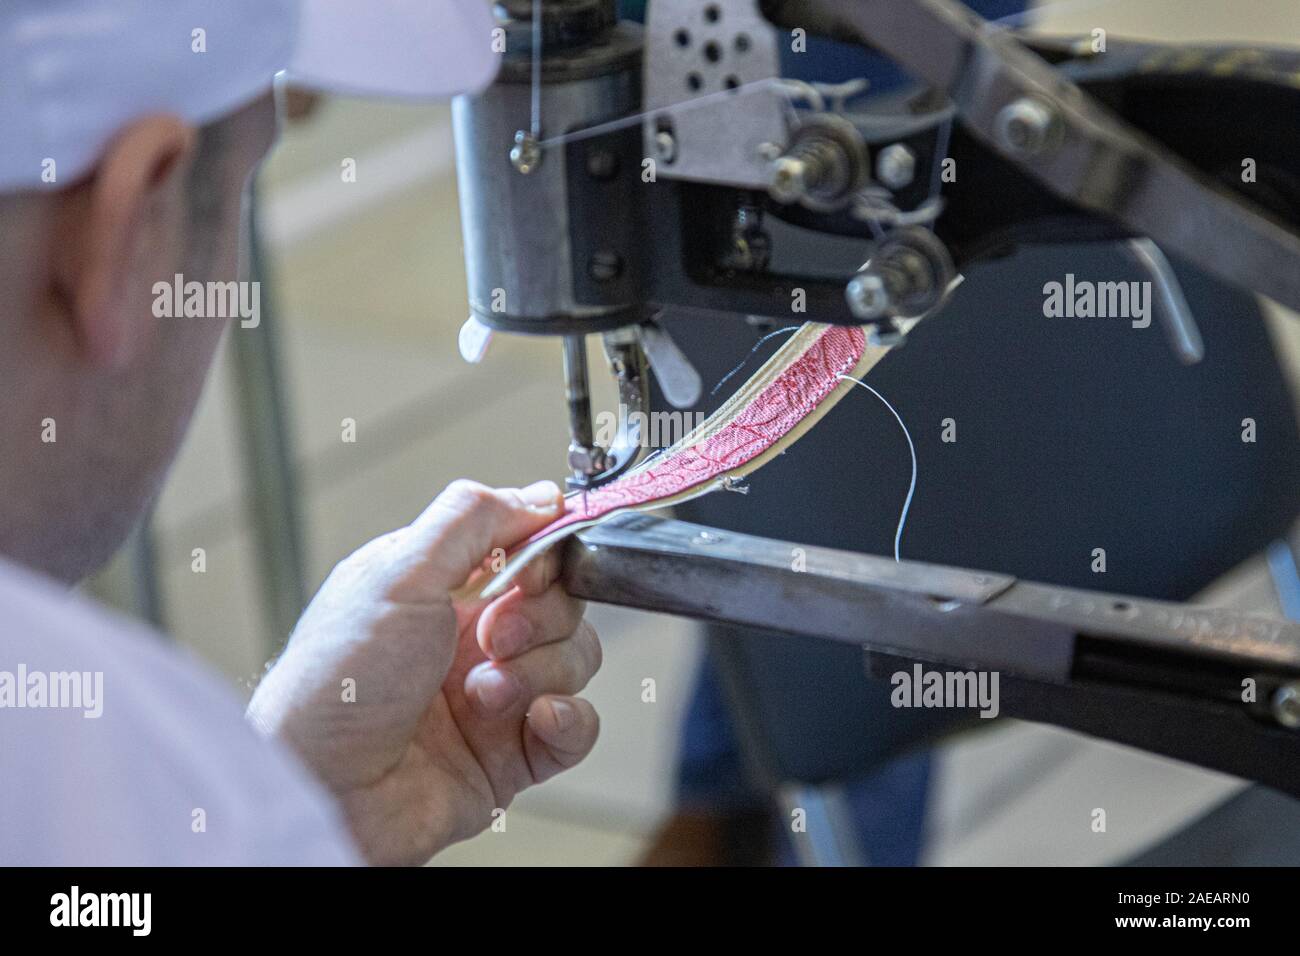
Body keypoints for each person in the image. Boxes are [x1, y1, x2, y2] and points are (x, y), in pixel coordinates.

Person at [0, 0, 602, 866]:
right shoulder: (99, 778)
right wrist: (252, 818)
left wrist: (303, 796)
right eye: (246, 178)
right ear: (126, 236)